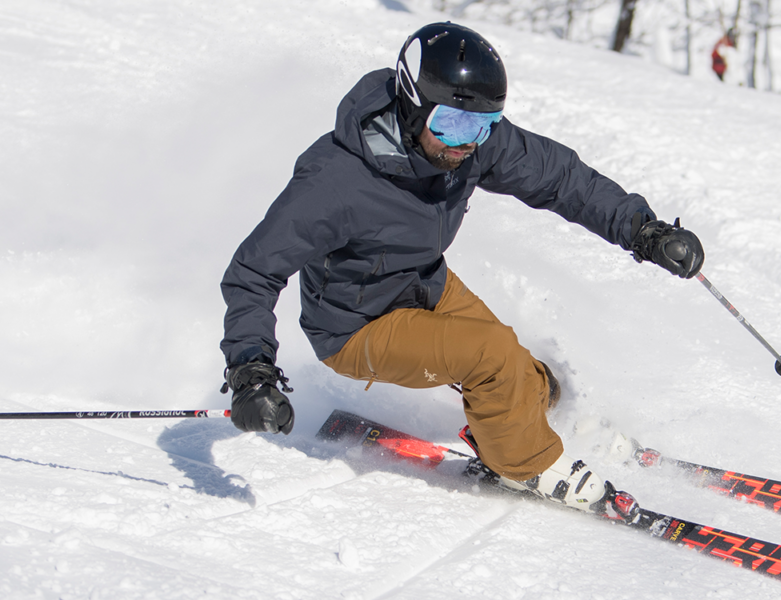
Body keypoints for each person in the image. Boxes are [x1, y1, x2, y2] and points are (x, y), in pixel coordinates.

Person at [218, 22, 703, 514]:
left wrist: (643, 231)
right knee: (490, 356)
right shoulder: (335, 181)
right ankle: (526, 464)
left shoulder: (467, 143)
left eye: (484, 125)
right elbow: (253, 272)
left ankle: (530, 418)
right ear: (412, 104)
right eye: (453, 124)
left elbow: (561, 178)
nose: (468, 143)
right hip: (355, 327)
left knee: (519, 366)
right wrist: (250, 371)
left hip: (423, 283)